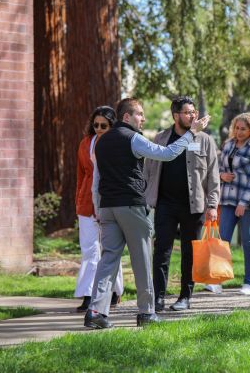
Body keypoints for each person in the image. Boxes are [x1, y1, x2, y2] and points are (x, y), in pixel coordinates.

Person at [84, 97, 208, 329]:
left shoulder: (100, 142)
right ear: (127, 117)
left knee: (108, 260)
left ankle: (95, 312)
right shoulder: (134, 138)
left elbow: (96, 180)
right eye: (140, 114)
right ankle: (147, 312)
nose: (143, 118)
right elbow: (168, 153)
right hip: (131, 206)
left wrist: (98, 208)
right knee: (141, 259)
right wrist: (191, 133)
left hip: (107, 207)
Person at [144, 96, 219, 312]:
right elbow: (149, 170)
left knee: (190, 252)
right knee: (162, 251)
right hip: (165, 204)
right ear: (176, 115)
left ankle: (185, 297)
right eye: (187, 112)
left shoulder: (205, 140)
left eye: (194, 112)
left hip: (193, 205)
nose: (193, 115)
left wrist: (212, 205)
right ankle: (158, 297)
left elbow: (213, 175)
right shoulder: (160, 138)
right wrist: (147, 197)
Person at [74, 106, 123, 312]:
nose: (99, 129)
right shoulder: (86, 143)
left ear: (112, 125)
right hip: (86, 204)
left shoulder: (118, 143)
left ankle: (113, 290)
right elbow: (81, 175)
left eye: (104, 125)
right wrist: (78, 200)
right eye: (96, 125)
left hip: (109, 201)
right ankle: (87, 293)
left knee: (110, 249)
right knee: (89, 251)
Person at [216, 112, 250, 295]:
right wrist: (222, 176)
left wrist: (243, 203)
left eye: (243, 129)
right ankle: (218, 280)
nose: (238, 132)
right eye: (236, 128)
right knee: (223, 240)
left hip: (247, 203)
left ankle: (248, 282)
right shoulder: (228, 145)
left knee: (248, 241)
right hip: (227, 199)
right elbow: (219, 169)